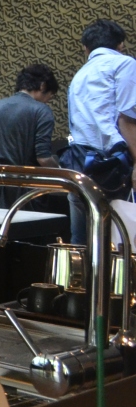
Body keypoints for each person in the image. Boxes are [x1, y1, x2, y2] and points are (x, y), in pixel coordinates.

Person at [62, 20, 136, 244]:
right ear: (120, 45)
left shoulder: (79, 75)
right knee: (118, 242)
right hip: (112, 166)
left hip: (79, 164)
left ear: (86, 48)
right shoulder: (124, 64)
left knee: (81, 241)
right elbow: (126, 119)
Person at [0, 64, 60, 211]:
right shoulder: (41, 111)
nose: (47, 101)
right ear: (42, 86)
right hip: (24, 192)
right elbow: (43, 158)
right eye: (50, 96)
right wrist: (60, 172)